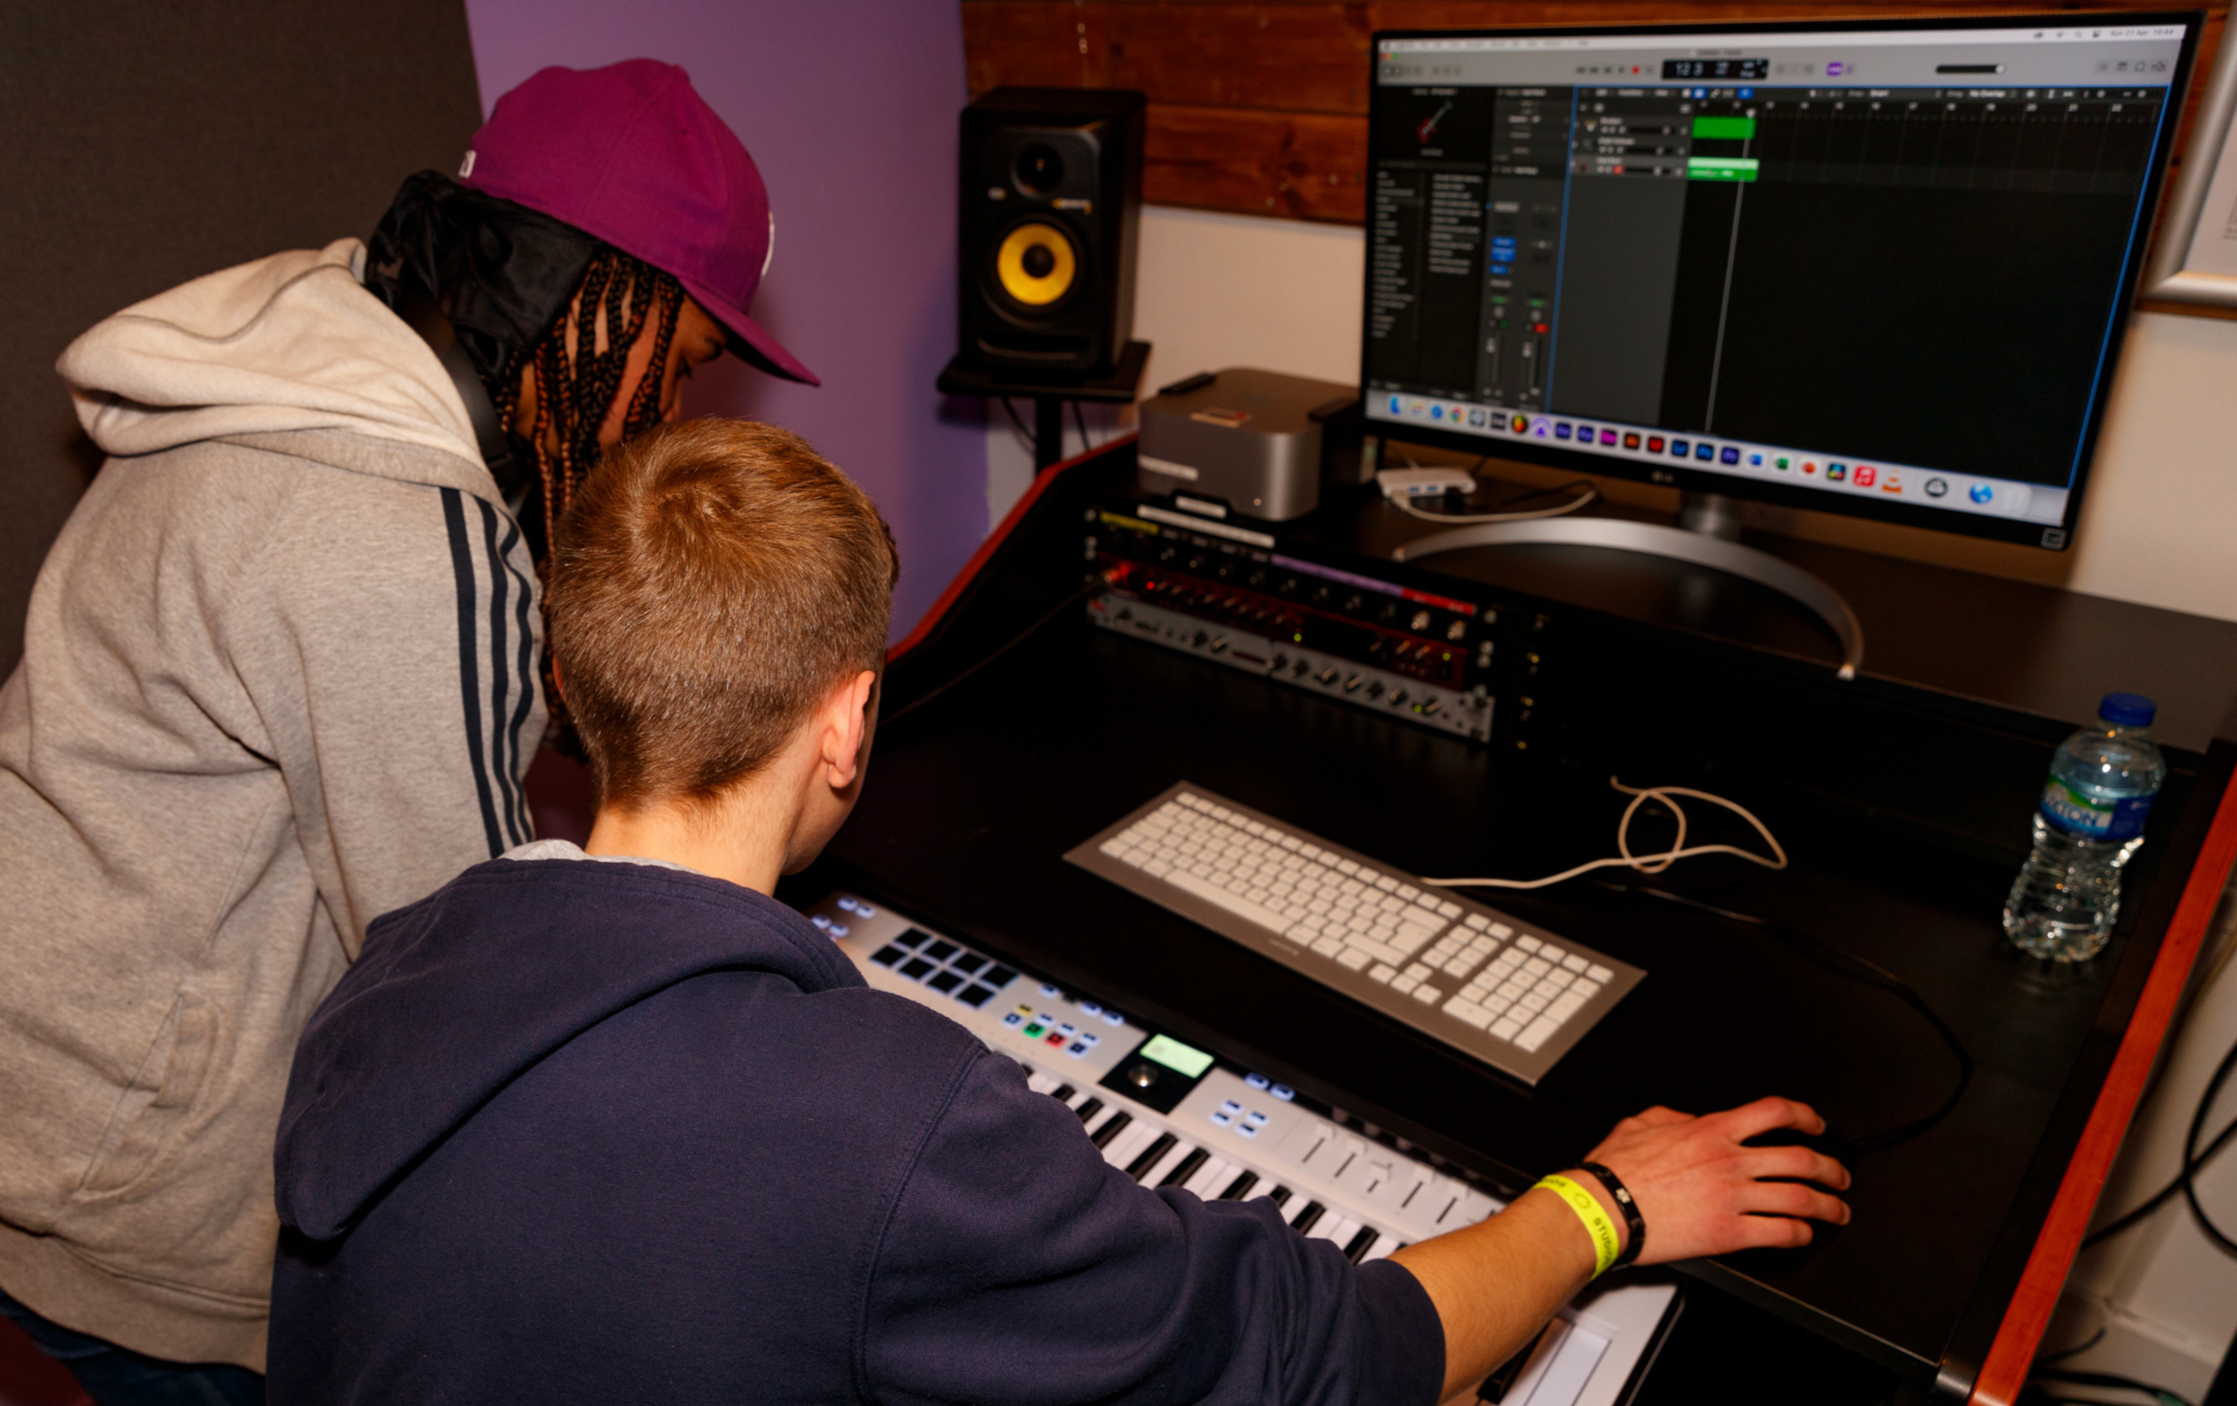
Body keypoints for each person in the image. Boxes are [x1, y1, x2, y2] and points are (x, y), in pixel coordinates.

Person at [267, 418, 1854, 1404]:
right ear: (847, 722)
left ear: (569, 678)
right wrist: (1603, 1204)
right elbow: (1329, 1355)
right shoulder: (884, 1124)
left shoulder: (390, 983)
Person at [0, 61, 811, 1403]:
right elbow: (475, 979)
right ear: (586, 301)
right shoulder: (398, 524)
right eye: (672, 367)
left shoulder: (292, 376)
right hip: (88, 1167)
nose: (662, 416)